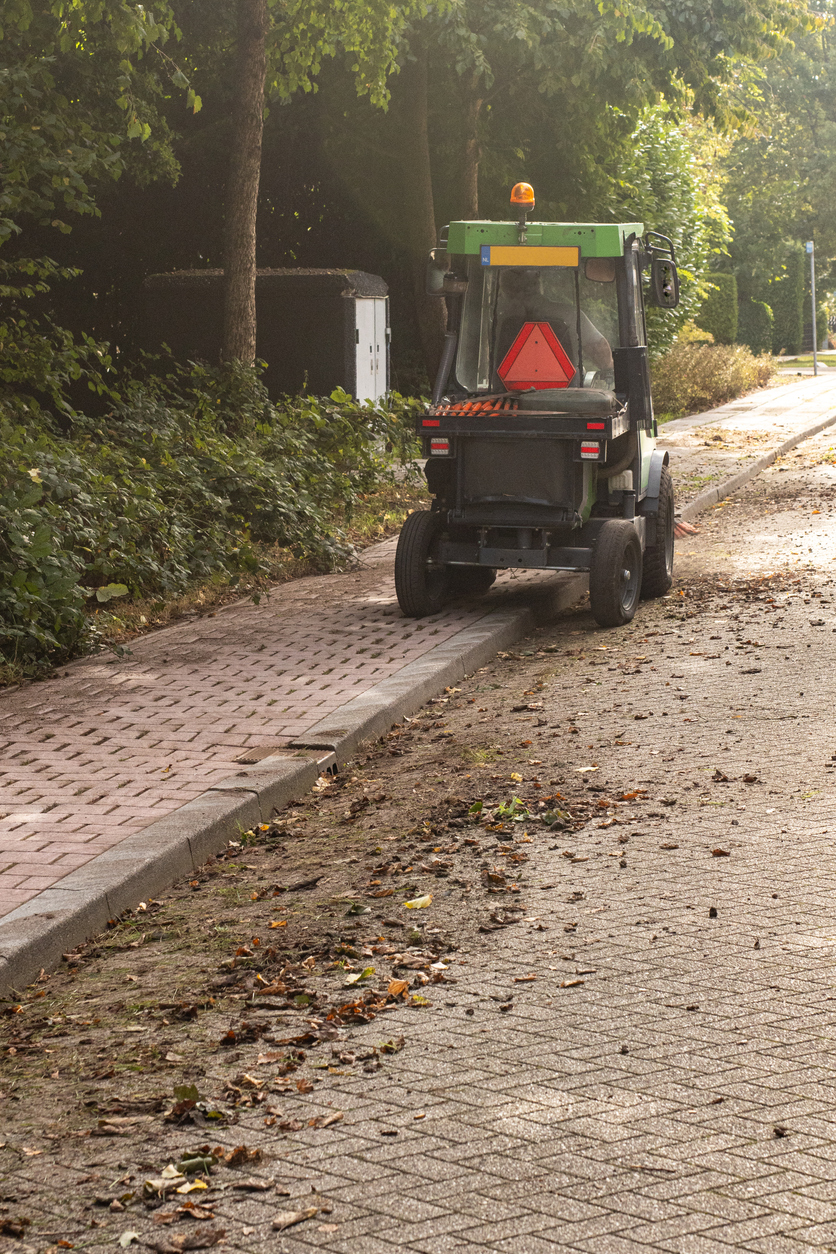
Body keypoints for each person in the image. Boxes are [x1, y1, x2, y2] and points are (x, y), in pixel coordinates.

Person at [495, 267, 613, 377]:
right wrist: (609, 368)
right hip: (568, 395)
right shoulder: (569, 314)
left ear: (506, 290)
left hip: (504, 394)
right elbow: (600, 350)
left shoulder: (496, 320)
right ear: (537, 284)